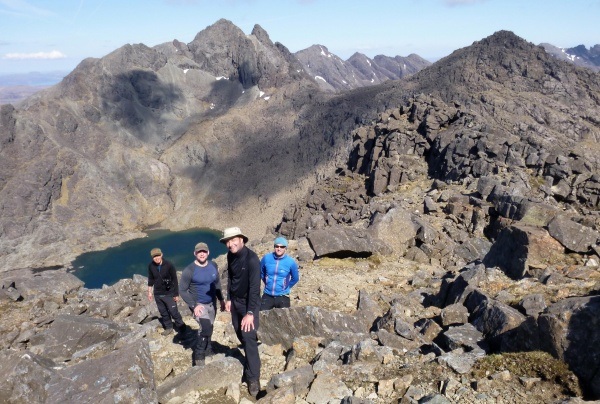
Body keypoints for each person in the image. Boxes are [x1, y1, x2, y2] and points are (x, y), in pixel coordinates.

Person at [221, 227, 262, 397]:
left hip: (248, 303)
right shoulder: (231, 256)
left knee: (248, 336)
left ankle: (253, 377)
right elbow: (231, 277)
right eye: (227, 241)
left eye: (233, 240)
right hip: (236, 301)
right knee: (238, 331)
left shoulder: (252, 259)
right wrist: (229, 298)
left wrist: (250, 313)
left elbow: (254, 288)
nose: (230, 244)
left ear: (242, 240)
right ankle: (250, 356)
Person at [179, 242, 226, 366]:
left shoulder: (213, 265)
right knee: (205, 327)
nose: (202, 254)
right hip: (199, 304)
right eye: (199, 252)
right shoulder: (189, 270)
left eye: (204, 251)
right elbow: (182, 290)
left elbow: (217, 284)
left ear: (208, 253)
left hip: (212, 303)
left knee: (210, 327)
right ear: (195, 253)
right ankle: (199, 356)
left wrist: (221, 299)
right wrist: (194, 305)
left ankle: (208, 349)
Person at [147, 248, 185, 336]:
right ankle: (169, 328)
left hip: (169, 293)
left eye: (158, 255)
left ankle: (182, 328)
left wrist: (176, 294)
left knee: (173, 312)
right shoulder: (151, 266)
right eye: (154, 256)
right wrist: (149, 292)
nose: (156, 258)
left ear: (161, 255)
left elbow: (175, 280)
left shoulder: (169, 265)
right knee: (163, 312)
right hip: (157, 293)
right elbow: (151, 279)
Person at [260, 236, 300, 310]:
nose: (279, 249)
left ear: (285, 248)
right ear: (274, 247)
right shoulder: (266, 258)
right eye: (277, 246)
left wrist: (286, 286)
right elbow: (261, 273)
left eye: (282, 247)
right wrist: (267, 282)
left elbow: (295, 278)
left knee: (285, 320)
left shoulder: (291, 262)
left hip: (283, 296)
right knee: (261, 318)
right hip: (267, 295)